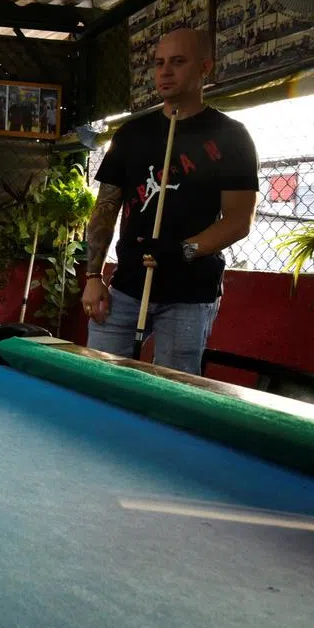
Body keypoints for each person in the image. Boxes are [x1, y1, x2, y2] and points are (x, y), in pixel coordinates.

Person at [80, 27, 259, 375]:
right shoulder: (132, 134)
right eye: (159, 63)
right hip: (126, 286)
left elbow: (239, 220)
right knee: (98, 379)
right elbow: (105, 208)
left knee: (173, 389)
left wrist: (183, 251)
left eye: (178, 62)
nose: (165, 72)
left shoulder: (231, 136)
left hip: (191, 293)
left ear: (205, 67)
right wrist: (92, 275)